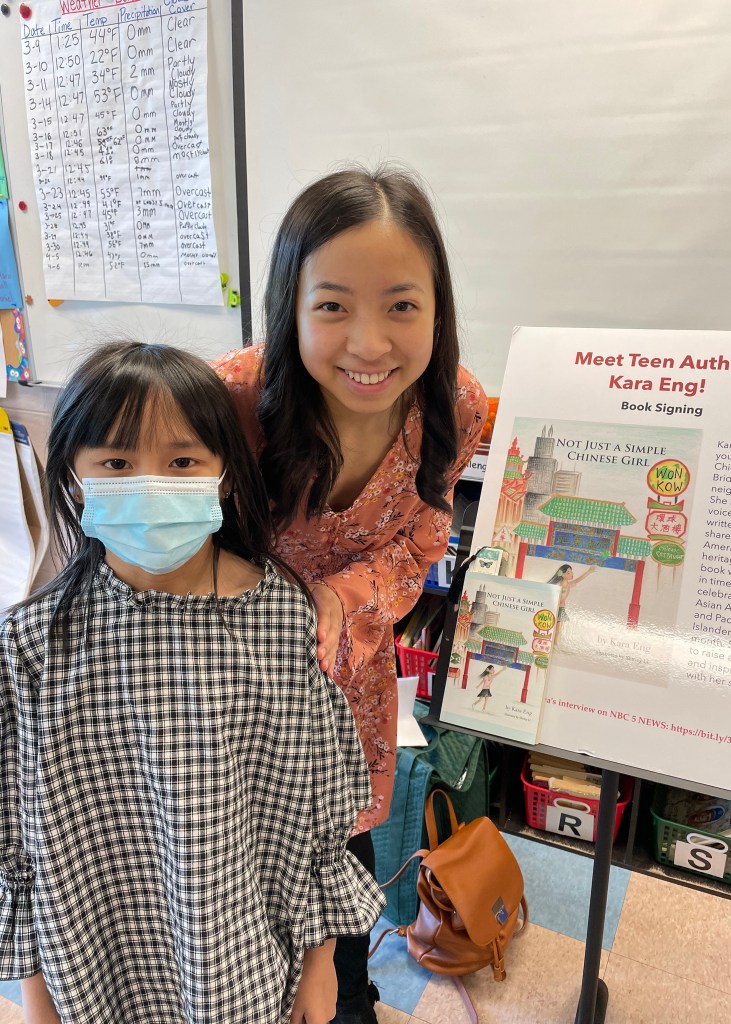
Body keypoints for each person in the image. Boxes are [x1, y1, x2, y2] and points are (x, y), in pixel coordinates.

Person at [0, 341, 385, 1024]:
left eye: (182, 462)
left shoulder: (279, 620)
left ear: (226, 475)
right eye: (116, 463)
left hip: (239, 961)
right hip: (97, 964)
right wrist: (36, 998)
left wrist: (320, 963)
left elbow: (317, 818)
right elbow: (14, 843)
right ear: (73, 477)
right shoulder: (33, 645)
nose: (150, 484)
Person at [213, 165, 488, 1024]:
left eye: (401, 305)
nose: (369, 344)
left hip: (351, 686)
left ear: (437, 310)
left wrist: (336, 604)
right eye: (332, 305)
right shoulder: (231, 401)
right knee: (236, 884)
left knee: (340, 867)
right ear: (289, 307)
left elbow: (424, 538)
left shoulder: (455, 404)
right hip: (234, 691)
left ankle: (349, 998)